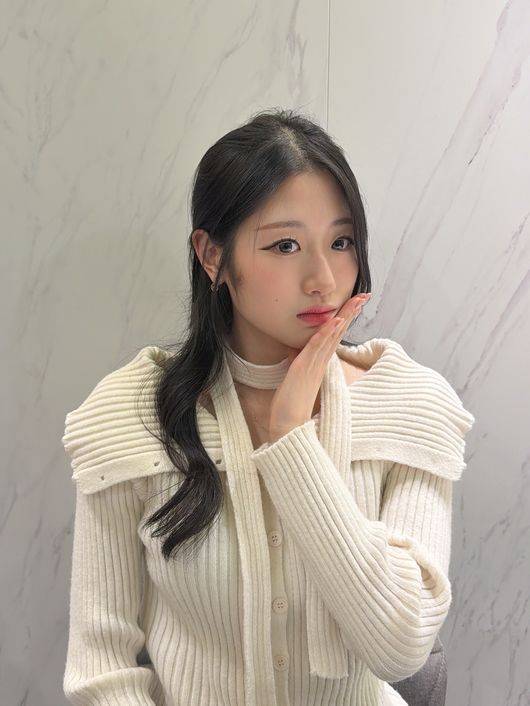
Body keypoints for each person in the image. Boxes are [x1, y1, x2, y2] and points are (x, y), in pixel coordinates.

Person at [61, 108, 475, 706]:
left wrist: (291, 440)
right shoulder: (132, 413)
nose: (323, 278)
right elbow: (101, 666)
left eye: (341, 242)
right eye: (285, 245)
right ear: (212, 256)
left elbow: (401, 646)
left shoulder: (408, 404)